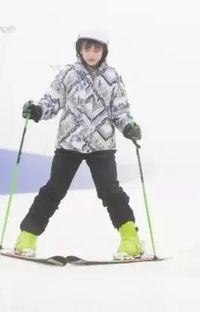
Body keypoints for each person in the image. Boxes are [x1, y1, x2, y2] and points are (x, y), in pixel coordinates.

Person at [14, 27, 144, 260]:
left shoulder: (113, 77)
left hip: (101, 145)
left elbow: (120, 111)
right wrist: (37, 110)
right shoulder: (68, 74)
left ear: (104, 51)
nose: (92, 53)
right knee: (53, 190)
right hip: (69, 143)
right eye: (87, 48)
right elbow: (52, 101)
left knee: (111, 192)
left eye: (97, 48)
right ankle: (27, 236)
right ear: (80, 50)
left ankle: (130, 239)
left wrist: (128, 126)